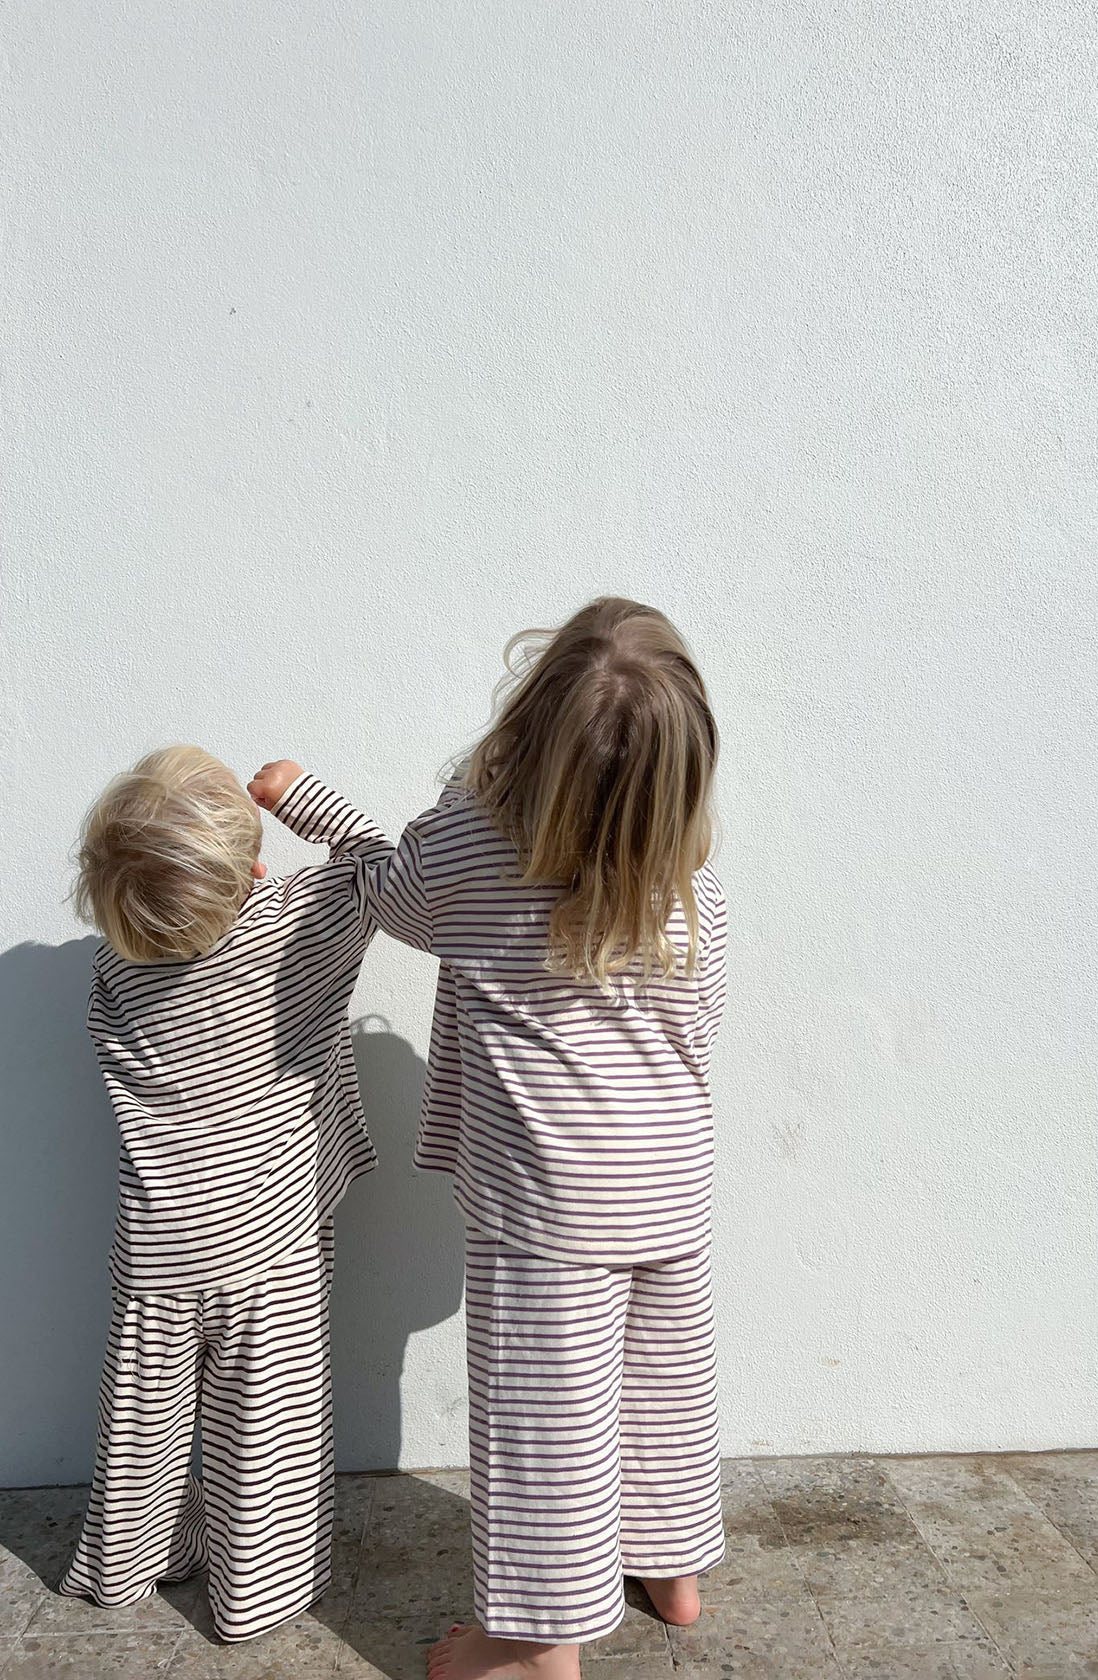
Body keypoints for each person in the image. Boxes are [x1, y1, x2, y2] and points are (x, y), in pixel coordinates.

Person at [353, 597, 728, 1680]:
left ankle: (527, 1643)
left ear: (531, 716)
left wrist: (333, 813)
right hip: (670, 1171)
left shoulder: (475, 837)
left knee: (545, 1418)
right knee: (662, 1381)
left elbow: (393, 899)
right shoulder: (686, 865)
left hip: (547, 1200)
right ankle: (669, 1568)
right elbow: (702, 1016)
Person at [60, 746, 392, 1642]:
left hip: (157, 1241)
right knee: (263, 1433)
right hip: (268, 1245)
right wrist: (299, 797)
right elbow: (380, 868)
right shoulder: (299, 927)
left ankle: (129, 1563)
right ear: (252, 866)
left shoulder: (114, 969)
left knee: (146, 1422)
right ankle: (257, 1595)